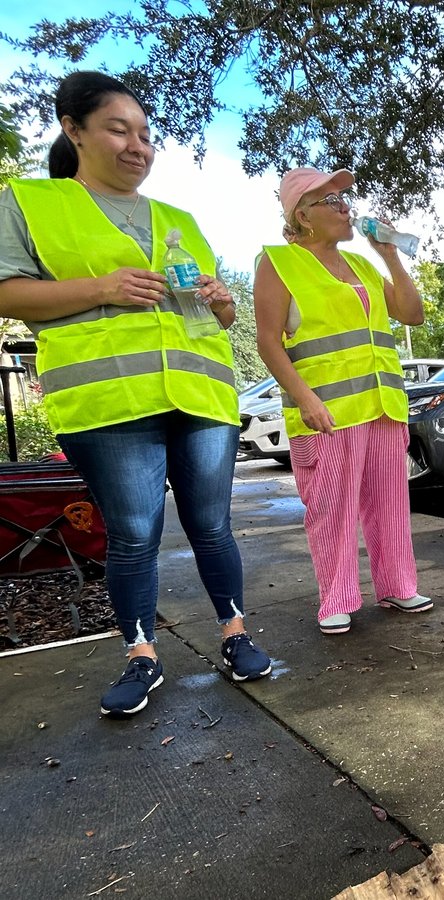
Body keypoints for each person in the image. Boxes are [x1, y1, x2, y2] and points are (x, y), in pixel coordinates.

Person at [0, 71, 271, 717]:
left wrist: (222, 302)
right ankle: (141, 654)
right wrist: (102, 287)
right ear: (74, 129)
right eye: (118, 129)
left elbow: (217, 320)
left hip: (200, 396)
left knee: (211, 526)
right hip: (108, 403)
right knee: (132, 535)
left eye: (145, 135)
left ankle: (236, 635)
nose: (137, 146)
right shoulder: (31, 201)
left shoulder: (178, 219)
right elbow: (7, 292)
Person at [253, 167, 429, 635]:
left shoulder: (364, 265)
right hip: (326, 413)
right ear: (302, 215)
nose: (345, 206)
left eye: (344, 197)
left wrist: (391, 257)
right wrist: (305, 398)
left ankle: (396, 584)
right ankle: (336, 597)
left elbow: (412, 313)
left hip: (382, 406)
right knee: (331, 507)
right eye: (331, 200)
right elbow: (268, 341)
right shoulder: (278, 262)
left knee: (389, 502)